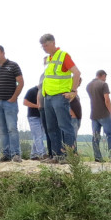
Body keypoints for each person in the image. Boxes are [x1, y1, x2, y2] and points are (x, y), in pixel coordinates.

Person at [39, 33, 81, 161]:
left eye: (46, 45)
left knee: (65, 126)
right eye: (42, 46)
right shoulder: (48, 59)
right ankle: (57, 155)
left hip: (60, 96)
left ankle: (69, 156)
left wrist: (73, 91)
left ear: (53, 43)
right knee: (51, 127)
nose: (44, 48)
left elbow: (77, 73)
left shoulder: (63, 56)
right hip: (48, 97)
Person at [0, 45, 24, 162]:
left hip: (9, 102)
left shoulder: (13, 65)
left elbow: (21, 82)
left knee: (12, 128)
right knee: (2, 130)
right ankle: (6, 154)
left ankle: (16, 154)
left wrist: (13, 98)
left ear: (3, 53)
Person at [86, 69, 111, 162]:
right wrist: (109, 111)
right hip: (104, 113)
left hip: (94, 114)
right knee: (110, 135)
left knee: (96, 136)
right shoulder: (103, 84)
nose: (105, 79)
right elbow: (106, 99)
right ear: (103, 75)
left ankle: (97, 157)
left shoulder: (89, 85)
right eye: (105, 77)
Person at [22, 84, 46, 160]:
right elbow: (25, 102)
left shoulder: (45, 91)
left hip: (42, 116)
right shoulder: (31, 91)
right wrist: (38, 106)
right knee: (38, 136)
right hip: (33, 117)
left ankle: (34, 154)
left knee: (39, 136)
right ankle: (42, 154)